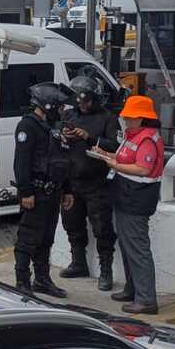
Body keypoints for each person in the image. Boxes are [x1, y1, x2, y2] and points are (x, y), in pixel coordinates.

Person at [100, 95, 166, 315]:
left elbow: (143, 169)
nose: (126, 120)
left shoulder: (147, 139)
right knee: (128, 247)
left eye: (130, 117)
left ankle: (146, 299)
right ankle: (133, 289)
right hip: (126, 197)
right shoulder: (134, 136)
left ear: (142, 118)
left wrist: (114, 164)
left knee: (137, 249)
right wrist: (106, 155)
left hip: (136, 201)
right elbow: (126, 158)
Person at [58, 74, 122, 290]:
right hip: (72, 182)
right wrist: (64, 135)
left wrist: (90, 138)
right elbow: (57, 139)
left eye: (86, 100)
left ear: (95, 98)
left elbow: (115, 146)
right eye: (78, 100)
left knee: (102, 228)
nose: (82, 105)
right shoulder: (69, 114)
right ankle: (78, 263)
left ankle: (106, 271)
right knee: (72, 225)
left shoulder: (108, 118)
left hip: (98, 182)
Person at [13, 82, 76, 297]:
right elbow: (21, 162)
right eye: (59, 107)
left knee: (46, 238)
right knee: (28, 238)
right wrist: (26, 192)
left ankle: (42, 279)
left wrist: (67, 190)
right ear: (47, 105)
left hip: (54, 191)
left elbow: (62, 159)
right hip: (36, 192)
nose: (61, 111)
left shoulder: (53, 127)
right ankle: (22, 281)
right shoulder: (28, 126)